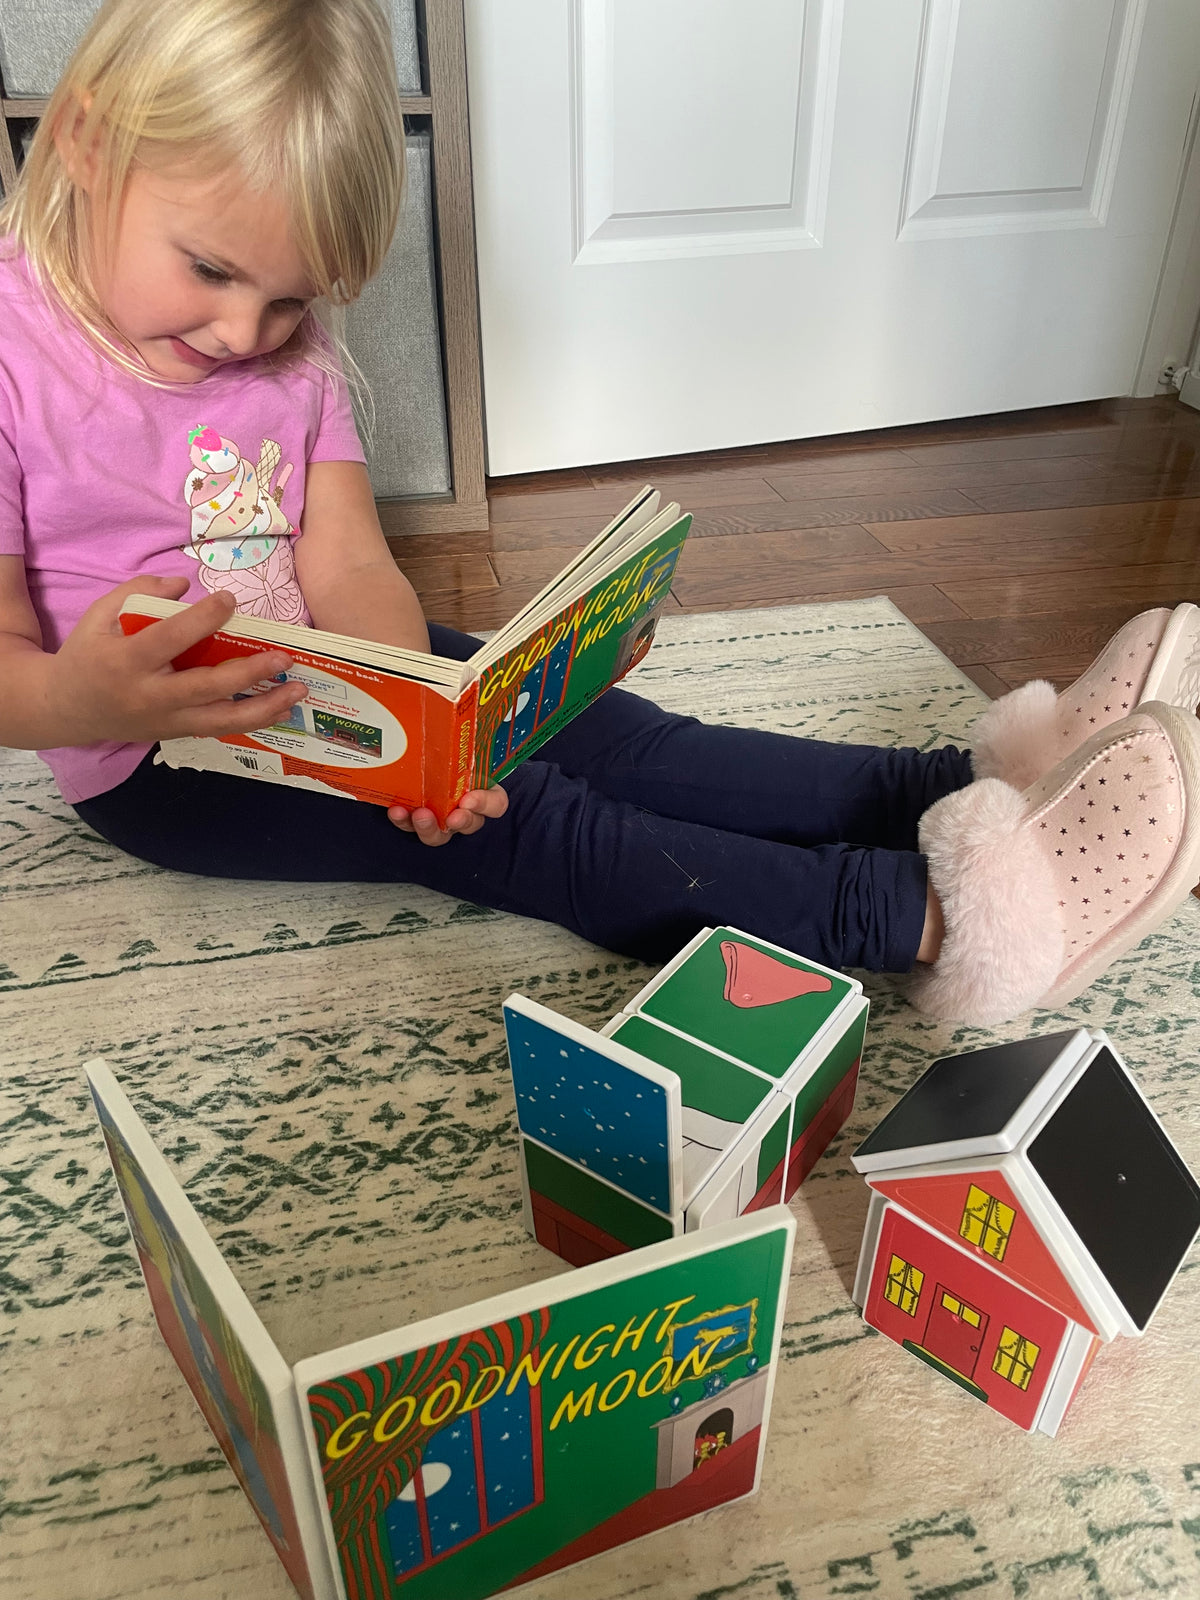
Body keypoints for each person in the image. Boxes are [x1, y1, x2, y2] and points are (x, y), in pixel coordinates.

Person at [2, 0, 1198, 1029]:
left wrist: (415, 722)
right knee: (531, 826)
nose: (245, 333)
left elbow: (353, 564)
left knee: (622, 737)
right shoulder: (16, 354)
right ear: (92, 141)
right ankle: (937, 920)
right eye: (211, 270)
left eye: (289, 298)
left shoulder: (289, 363)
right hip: (167, 759)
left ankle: (972, 776)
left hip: (341, 696)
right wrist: (82, 697)